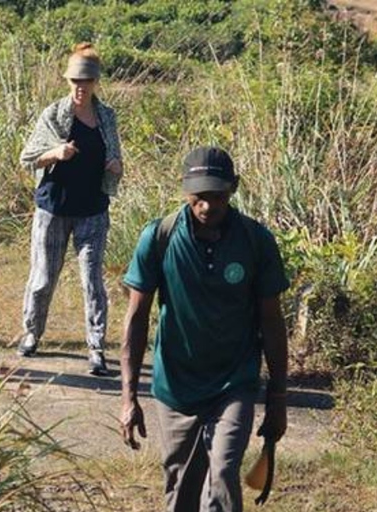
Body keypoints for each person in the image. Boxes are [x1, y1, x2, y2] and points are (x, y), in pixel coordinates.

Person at [120, 146, 289, 511]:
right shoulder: (159, 237)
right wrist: (128, 397)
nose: (208, 206)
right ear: (184, 190)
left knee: (224, 472)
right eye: (199, 197)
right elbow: (136, 320)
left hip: (235, 381)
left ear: (234, 189)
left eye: (218, 196)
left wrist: (278, 398)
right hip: (177, 385)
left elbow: (272, 322)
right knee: (181, 487)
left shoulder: (255, 241)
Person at [17, 42, 123, 376]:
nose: (81, 87)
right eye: (76, 81)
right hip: (53, 207)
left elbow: (115, 158)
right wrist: (56, 153)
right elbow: (28, 158)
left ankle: (96, 347)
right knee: (43, 277)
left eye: (86, 81)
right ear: (68, 81)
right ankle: (32, 332)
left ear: (95, 83)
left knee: (92, 280)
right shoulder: (53, 115)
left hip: (93, 210)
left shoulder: (106, 116)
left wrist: (116, 165)